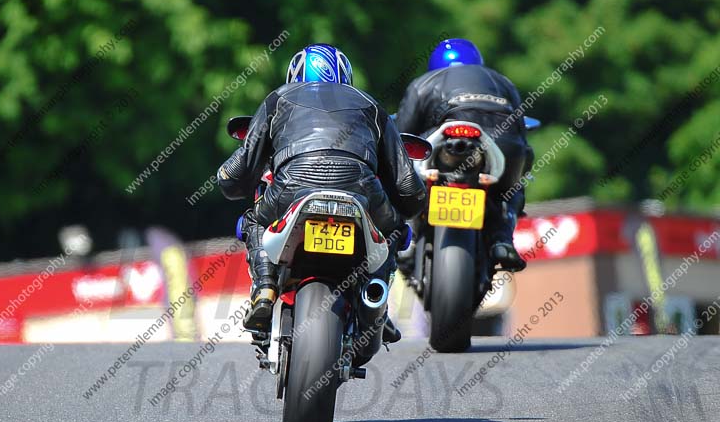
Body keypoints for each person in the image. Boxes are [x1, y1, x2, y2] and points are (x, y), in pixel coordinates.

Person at [217, 43, 426, 336]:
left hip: (292, 186)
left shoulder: (277, 98)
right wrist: (407, 208)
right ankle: (376, 300)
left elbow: (237, 175)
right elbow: (406, 186)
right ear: (346, 77)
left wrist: (229, 178)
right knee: (394, 229)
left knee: (255, 219)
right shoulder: (370, 104)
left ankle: (265, 288)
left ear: (294, 75)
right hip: (360, 188)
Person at [395, 38, 534, 271]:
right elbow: (520, 130)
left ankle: (405, 233)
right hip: (503, 145)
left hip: (441, 144)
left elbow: (402, 135)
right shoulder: (503, 82)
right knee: (514, 186)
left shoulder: (423, 83)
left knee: (400, 163)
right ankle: (502, 238)